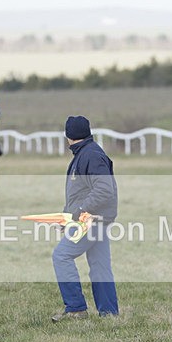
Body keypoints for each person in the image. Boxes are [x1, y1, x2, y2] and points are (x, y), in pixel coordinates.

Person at [51, 115, 119, 322]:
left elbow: (104, 190)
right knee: (100, 266)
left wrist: (79, 211)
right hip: (93, 219)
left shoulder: (90, 155)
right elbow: (80, 192)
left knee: (61, 256)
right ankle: (109, 314)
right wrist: (67, 218)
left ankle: (76, 309)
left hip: (90, 221)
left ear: (68, 136)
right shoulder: (88, 153)